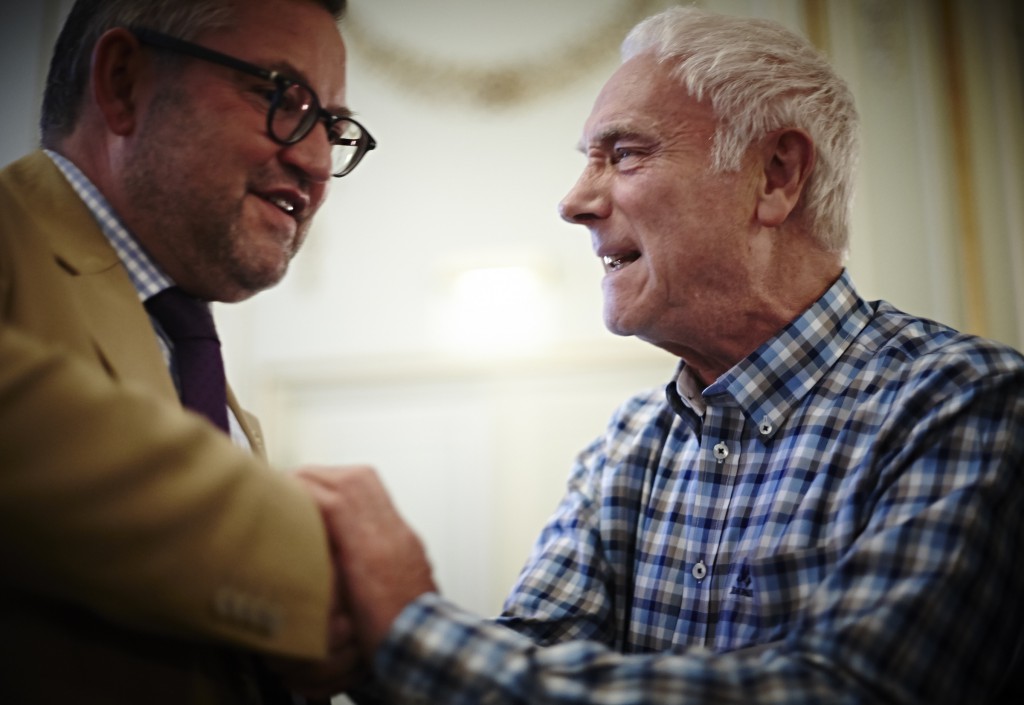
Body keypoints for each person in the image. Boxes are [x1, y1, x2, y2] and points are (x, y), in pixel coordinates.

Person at [300, 6, 1024, 704]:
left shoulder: (968, 405)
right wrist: (359, 639)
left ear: (775, 175)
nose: (574, 201)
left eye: (623, 154)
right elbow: (529, 655)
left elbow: (843, 690)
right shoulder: (627, 443)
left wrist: (409, 628)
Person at [0, 0, 377, 702]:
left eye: (332, 124)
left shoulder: (188, 348)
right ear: (123, 83)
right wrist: (328, 573)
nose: (317, 160)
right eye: (278, 94)